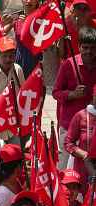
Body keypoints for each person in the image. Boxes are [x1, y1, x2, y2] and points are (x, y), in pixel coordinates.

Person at [53, 26, 96, 164]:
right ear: (78, 46)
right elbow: (56, 92)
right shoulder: (68, 65)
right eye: (85, 47)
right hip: (69, 126)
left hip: (92, 129)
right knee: (65, 170)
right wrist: (72, 94)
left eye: (92, 48)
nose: (89, 51)